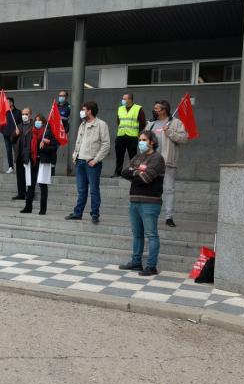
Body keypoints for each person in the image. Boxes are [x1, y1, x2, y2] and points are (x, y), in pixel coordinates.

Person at [119, 131, 166, 276]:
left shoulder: (157, 158)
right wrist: (136, 172)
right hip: (134, 200)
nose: (141, 142)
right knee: (137, 234)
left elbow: (146, 178)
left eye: (144, 139)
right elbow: (124, 172)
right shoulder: (138, 156)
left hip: (150, 202)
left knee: (151, 235)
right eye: (140, 139)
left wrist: (136, 171)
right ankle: (136, 262)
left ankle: (151, 266)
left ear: (152, 142)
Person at [65, 101, 110, 224]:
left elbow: (106, 144)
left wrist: (96, 160)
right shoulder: (82, 124)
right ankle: (78, 213)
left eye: (84, 109)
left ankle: (95, 214)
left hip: (92, 163)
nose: (82, 111)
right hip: (80, 161)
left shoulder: (101, 125)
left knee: (94, 190)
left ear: (89, 111)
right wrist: (75, 156)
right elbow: (78, 141)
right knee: (81, 189)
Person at [145, 100, 188, 227]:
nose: (155, 111)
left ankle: (169, 217)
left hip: (167, 161)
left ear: (164, 110)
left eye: (157, 108)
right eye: (154, 108)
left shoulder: (175, 123)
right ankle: (150, 214)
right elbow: (144, 139)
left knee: (168, 189)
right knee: (151, 187)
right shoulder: (151, 124)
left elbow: (184, 138)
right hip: (151, 161)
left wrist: (169, 132)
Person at [19, 114, 58, 215]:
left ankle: (43, 209)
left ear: (43, 122)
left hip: (43, 161)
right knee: (30, 184)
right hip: (32, 161)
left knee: (42, 185)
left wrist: (45, 145)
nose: (37, 122)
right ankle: (28, 207)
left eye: (39, 120)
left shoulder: (48, 133)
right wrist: (25, 158)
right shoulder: (30, 132)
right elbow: (25, 146)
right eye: (36, 120)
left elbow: (55, 147)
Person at [112, 93, 146, 177]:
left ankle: (133, 172)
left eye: (124, 99)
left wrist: (138, 132)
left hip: (132, 136)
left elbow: (142, 123)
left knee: (133, 156)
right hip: (121, 135)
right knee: (119, 155)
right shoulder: (120, 109)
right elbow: (118, 121)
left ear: (130, 100)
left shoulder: (138, 108)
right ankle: (117, 172)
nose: (122, 100)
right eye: (123, 98)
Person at [10, 107, 32, 200]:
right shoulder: (18, 126)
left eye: (26, 114)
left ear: (30, 115)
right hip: (19, 155)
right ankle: (21, 193)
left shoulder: (33, 126)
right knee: (20, 176)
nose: (24, 116)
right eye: (23, 114)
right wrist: (15, 134)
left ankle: (30, 193)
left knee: (29, 176)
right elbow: (11, 139)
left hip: (29, 155)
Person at [0, 97, 22, 174]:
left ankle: (19, 167)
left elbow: (21, 123)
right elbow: (1, 124)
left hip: (15, 136)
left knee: (17, 151)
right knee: (8, 151)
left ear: (12, 103)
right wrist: (3, 131)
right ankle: (11, 167)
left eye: (8, 102)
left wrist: (18, 131)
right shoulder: (5, 112)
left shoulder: (18, 112)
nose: (7, 104)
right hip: (6, 136)